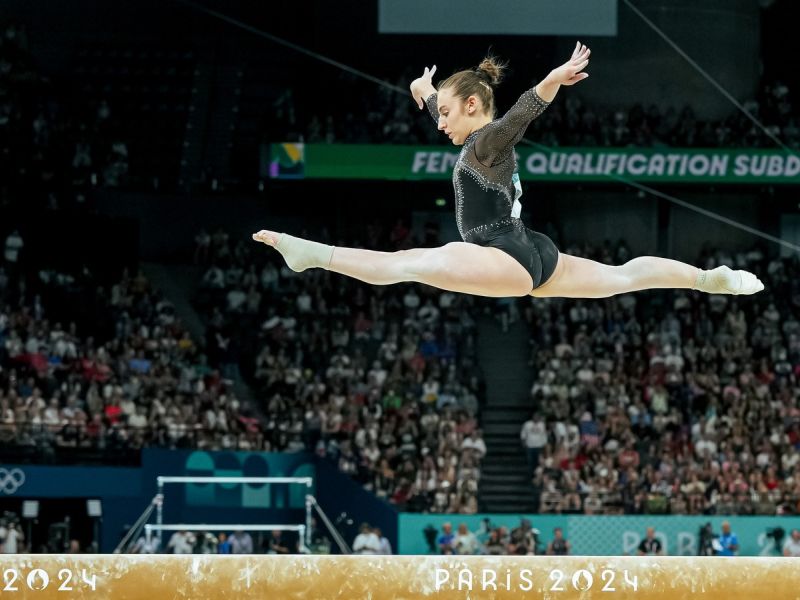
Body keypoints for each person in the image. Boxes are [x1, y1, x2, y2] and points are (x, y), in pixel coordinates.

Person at [253, 42, 763, 300]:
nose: (440, 125)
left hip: (503, 252)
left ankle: (314, 255)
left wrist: (551, 81)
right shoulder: (471, 134)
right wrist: (425, 92)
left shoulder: (488, 140)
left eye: (449, 115)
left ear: (474, 106)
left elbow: (519, 114)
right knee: (620, 278)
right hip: (531, 248)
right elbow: (439, 107)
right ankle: (707, 280)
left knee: (409, 262)